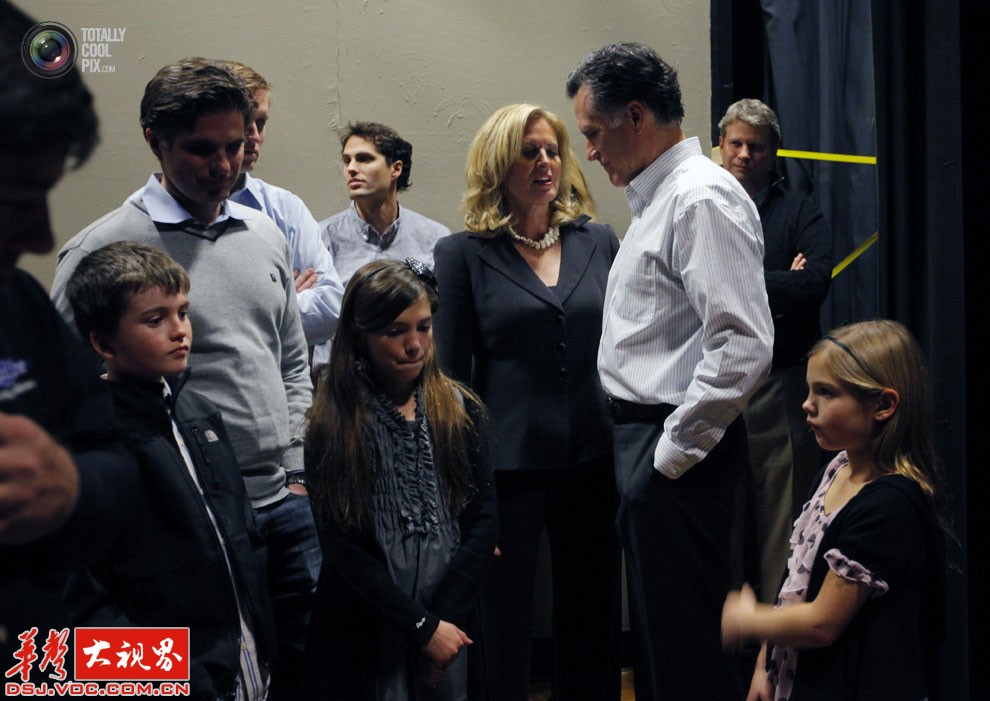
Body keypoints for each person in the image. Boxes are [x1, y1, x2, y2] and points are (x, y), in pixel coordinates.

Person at [49, 58, 317, 700]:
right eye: (201, 149)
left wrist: (297, 469)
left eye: (235, 146)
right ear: (156, 140)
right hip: (174, 519)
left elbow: (292, 361)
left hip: (281, 503)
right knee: (193, 675)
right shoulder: (103, 248)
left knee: (289, 671)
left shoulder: (264, 233)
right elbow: (55, 388)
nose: (224, 166)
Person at [566, 43, 774, 699]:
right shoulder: (663, 196)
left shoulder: (699, 197)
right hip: (648, 445)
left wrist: (669, 456)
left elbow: (743, 344)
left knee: (687, 659)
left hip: (674, 450)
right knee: (662, 652)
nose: (588, 153)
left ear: (635, 116)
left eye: (593, 134)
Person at [433, 104, 622, 701]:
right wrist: (463, 488)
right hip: (505, 470)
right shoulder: (463, 254)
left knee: (592, 613)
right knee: (502, 619)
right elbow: (451, 380)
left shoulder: (597, 240)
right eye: (528, 151)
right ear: (498, 164)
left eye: (551, 151)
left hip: (593, 459)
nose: (545, 162)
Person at [63, 241, 276, 700]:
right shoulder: (87, 445)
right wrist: (181, 681)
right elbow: (83, 600)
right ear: (103, 343)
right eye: (155, 319)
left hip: (246, 667)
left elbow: (242, 538)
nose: (180, 330)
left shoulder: (198, 412)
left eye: (183, 312)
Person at [0, 0, 141, 673]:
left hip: (39, 657)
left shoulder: (18, 304)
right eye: (14, 201)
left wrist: (69, 484)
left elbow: (113, 462)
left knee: (170, 668)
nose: (42, 237)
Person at [302, 259, 497, 699]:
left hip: (450, 618)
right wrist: (421, 627)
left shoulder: (461, 411)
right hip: (369, 622)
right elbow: (343, 547)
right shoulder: (335, 426)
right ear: (361, 337)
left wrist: (442, 626)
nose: (414, 345)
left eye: (423, 327)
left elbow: (484, 523)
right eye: (395, 332)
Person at [721, 320, 945, 701]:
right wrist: (765, 662)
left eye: (825, 392)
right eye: (809, 389)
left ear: (883, 405)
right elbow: (794, 582)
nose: (807, 404)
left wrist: (749, 619)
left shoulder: (889, 505)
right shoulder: (837, 468)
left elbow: (822, 623)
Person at [718, 98, 832, 602]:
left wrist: (733, 280)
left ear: (773, 152)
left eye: (757, 147)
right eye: (737, 143)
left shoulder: (799, 211)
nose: (745, 154)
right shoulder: (701, 205)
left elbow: (814, 285)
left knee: (781, 520)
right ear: (721, 145)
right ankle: (724, 633)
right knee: (720, 516)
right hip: (714, 380)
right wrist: (778, 279)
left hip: (779, 384)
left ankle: (775, 633)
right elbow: (686, 287)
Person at [221, 60, 344, 350]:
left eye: (261, 122)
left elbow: (330, 309)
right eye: (244, 121)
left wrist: (239, 318)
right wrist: (284, 298)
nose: (253, 134)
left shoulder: (286, 209)